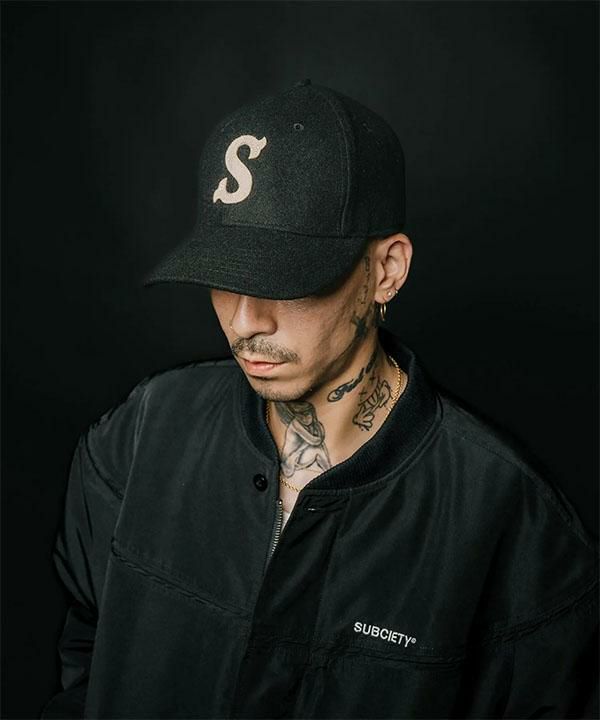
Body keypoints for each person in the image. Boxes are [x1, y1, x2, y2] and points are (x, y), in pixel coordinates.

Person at [42, 81, 598, 719]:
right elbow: (85, 658)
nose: (246, 322)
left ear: (386, 270)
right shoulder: (141, 434)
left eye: (287, 280)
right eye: (223, 278)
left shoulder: (513, 524)